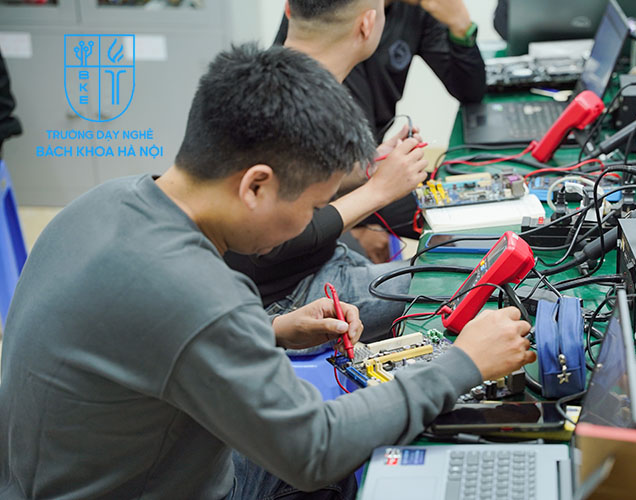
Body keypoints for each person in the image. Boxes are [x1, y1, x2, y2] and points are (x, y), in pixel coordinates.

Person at [0, 43, 536, 499]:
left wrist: (272, 328)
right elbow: (315, 452)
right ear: (256, 185)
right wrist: (463, 364)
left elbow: (146, 336)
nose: (311, 225)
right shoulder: (198, 292)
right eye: (312, 207)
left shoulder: (104, 201)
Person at [226, 0, 434, 340]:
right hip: (288, 300)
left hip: (310, 265)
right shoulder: (293, 110)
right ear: (368, 24)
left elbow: (294, 190)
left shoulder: (268, 84)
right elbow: (271, 243)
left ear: (288, 10)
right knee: (462, 278)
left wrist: (367, 168)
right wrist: (378, 190)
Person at [275, 0, 487, 246]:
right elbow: (283, 238)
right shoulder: (325, 16)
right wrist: (368, 204)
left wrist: (461, 25)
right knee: (459, 233)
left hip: (351, 172)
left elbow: (470, 91)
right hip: (334, 191)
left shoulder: (411, 12)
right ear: (368, 24)